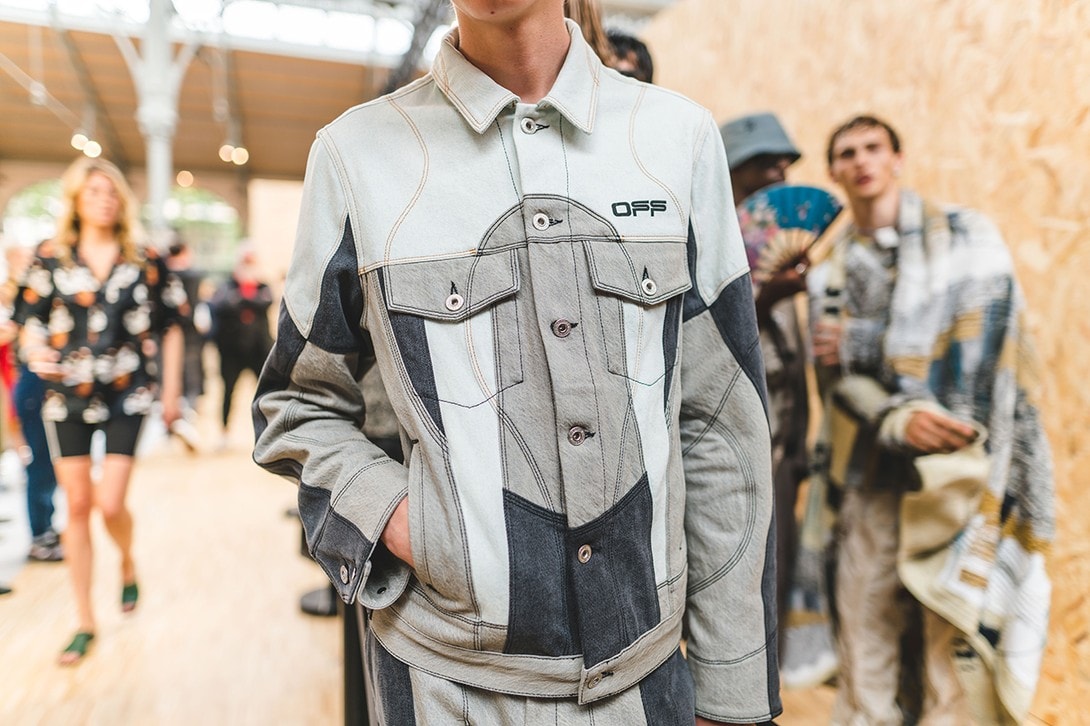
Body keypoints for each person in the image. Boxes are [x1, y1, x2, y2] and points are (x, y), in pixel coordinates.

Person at [253, 2, 779, 724]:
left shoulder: (678, 137)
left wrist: (733, 690)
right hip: (442, 688)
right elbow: (298, 405)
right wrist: (409, 523)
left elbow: (720, 422)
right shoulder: (357, 154)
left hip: (648, 684)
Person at [808, 115, 1054, 724]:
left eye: (873, 147)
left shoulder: (970, 239)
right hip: (873, 476)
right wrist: (896, 420)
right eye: (847, 153)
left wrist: (863, 340)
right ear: (834, 171)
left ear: (897, 157)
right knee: (865, 637)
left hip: (962, 478)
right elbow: (838, 385)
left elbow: (981, 348)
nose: (861, 160)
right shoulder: (830, 273)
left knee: (951, 652)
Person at [12, 157, 186, 665]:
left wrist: (171, 391)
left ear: (122, 202)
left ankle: (127, 562)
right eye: (93, 191)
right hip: (64, 394)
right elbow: (28, 320)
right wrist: (33, 349)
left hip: (127, 392)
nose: (103, 199)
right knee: (78, 505)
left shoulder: (145, 258)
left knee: (110, 503)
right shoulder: (51, 258)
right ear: (76, 200)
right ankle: (85, 618)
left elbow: (172, 324)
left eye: (111, 192)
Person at [720, 112, 809, 663]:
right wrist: (765, 299)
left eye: (785, 161)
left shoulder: (781, 245)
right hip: (733, 451)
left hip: (783, 446)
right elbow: (705, 341)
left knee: (775, 576)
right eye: (764, 162)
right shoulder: (712, 240)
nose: (780, 171)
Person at [3, 242, 65, 561]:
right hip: (31, 382)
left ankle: (47, 526)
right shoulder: (26, 302)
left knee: (50, 464)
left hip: (45, 385)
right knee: (39, 463)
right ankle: (40, 533)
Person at [209, 244, 273, 449]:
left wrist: (244, 298)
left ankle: (270, 432)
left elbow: (266, 302)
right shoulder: (227, 286)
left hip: (258, 349)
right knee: (228, 392)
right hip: (231, 351)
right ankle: (224, 433)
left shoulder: (263, 287)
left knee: (267, 393)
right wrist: (245, 298)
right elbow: (221, 305)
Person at [164, 237, 206, 451]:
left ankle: (170, 429)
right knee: (191, 378)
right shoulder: (192, 275)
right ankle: (188, 421)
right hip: (189, 334)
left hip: (164, 335)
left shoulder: (163, 275)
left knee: (168, 378)